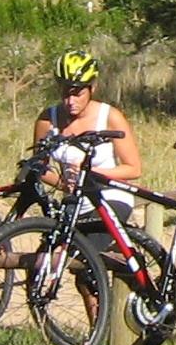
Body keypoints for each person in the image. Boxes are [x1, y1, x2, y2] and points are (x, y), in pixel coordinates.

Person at [33, 49, 143, 223]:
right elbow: (39, 166)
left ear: (92, 89)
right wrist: (64, 183)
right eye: (66, 93)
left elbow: (133, 169)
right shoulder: (47, 119)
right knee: (51, 248)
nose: (70, 101)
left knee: (85, 248)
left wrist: (89, 173)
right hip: (74, 202)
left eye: (78, 94)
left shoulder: (110, 117)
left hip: (110, 198)